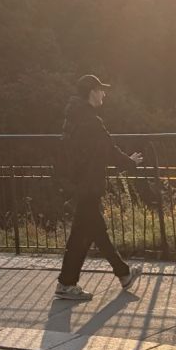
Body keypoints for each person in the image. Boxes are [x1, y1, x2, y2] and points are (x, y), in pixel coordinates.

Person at [55, 74, 143, 300]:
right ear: (92, 92)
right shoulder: (91, 121)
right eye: (101, 89)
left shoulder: (72, 118)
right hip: (89, 184)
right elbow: (108, 149)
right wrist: (130, 162)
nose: (104, 93)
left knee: (82, 234)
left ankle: (68, 283)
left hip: (78, 183)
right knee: (95, 231)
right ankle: (122, 273)